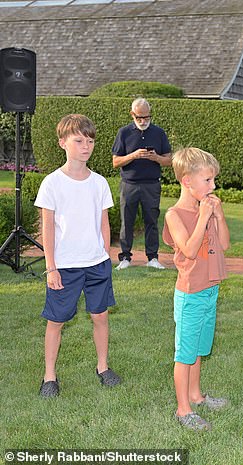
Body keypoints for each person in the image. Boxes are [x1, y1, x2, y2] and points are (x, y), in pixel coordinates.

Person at [35, 114, 120, 398]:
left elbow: (103, 223)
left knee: (100, 316)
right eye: (79, 140)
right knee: (56, 321)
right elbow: (47, 228)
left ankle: (103, 367)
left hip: (96, 265)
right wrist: (51, 268)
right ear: (62, 143)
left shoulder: (99, 183)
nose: (86, 146)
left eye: (91, 141)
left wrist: (105, 256)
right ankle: (49, 376)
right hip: (65, 267)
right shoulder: (52, 183)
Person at [162, 147, 230, 431]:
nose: (212, 186)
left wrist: (219, 215)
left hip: (210, 290)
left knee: (200, 349)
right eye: (207, 180)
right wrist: (203, 217)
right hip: (190, 294)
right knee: (185, 353)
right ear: (187, 181)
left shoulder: (209, 208)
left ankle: (196, 395)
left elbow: (224, 245)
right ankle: (183, 409)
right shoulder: (175, 214)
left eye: (213, 180)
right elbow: (189, 250)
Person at [112, 97, 172, 270]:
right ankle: (125, 258)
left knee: (151, 221)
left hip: (152, 184)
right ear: (132, 115)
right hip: (129, 184)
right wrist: (134, 155)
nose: (144, 121)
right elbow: (116, 162)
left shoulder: (159, 133)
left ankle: (152, 258)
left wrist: (156, 158)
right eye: (140, 118)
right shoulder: (124, 133)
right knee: (127, 221)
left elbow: (169, 160)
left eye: (147, 117)